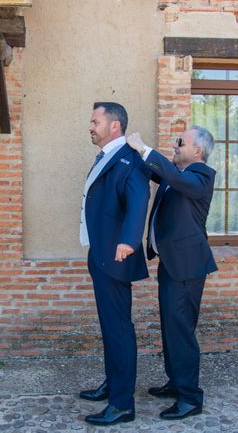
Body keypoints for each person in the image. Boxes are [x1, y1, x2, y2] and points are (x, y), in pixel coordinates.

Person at [127, 125, 217, 420]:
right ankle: (177, 382)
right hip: (172, 263)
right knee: (170, 328)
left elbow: (170, 174)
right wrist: (131, 151)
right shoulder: (176, 174)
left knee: (181, 332)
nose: (175, 145)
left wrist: (144, 147)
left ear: (198, 151)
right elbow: (159, 171)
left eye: (181, 142)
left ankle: (190, 398)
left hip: (188, 267)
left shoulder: (200, 176)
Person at [79, 102, 150, 426]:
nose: (90, 126)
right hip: (101, 255)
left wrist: (128, 241)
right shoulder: (107, 156)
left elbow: (138, 201)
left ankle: (122, 404)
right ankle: (113, 384)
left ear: (114, 126)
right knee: (110, 328)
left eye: (95, 121)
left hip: (117, 256)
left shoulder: (130, 160)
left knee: (119, 330)